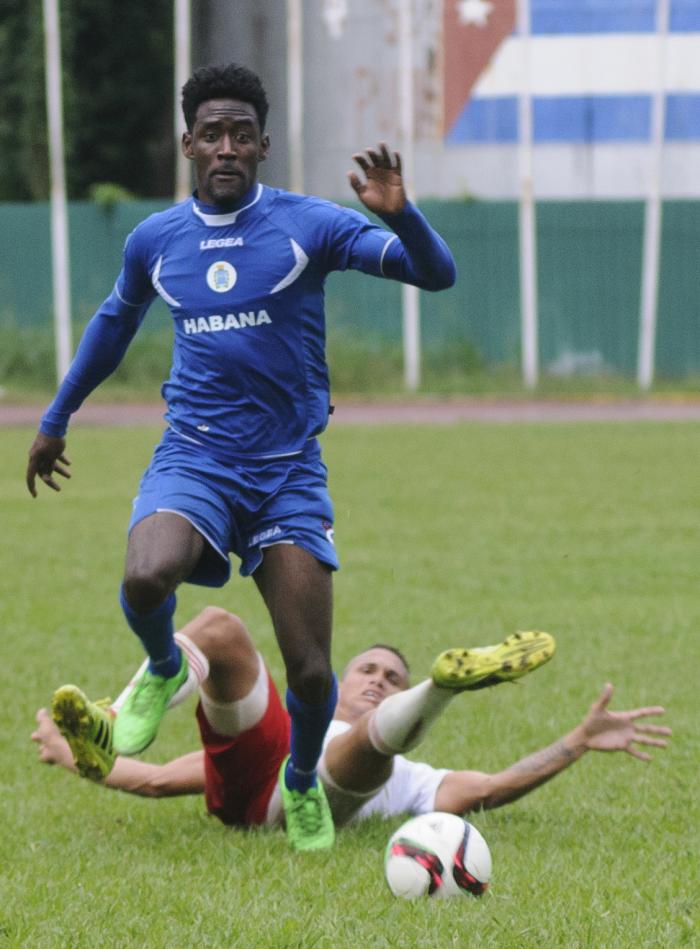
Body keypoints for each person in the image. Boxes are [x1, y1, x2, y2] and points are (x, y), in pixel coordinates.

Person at [24, 64, 456, 850]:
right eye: (210, 133)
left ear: (262, 144)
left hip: (287, 469)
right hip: (195, 454)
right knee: (145, 573)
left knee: (314, 672)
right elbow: (112, 325)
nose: (225, 146)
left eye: (241, 134)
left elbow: (437, 273)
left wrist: (405, 215)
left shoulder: (311, 226)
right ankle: (162, 665)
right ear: (188, 143)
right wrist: (56, 418)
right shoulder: (155, 240)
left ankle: (299, 782)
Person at [34, 609, 669, 834]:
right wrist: (77, 756)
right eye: (368, 670)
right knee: (222, 630)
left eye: (392, 678)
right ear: (337, 683)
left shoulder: (414, 778)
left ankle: (441, 687)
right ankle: (114, 716)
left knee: (368, 749)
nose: (375, 679)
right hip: (261, 776)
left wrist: (577, 742)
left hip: (315, 796)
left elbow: (489, 789)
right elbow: (156, 781)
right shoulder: (302, 716)